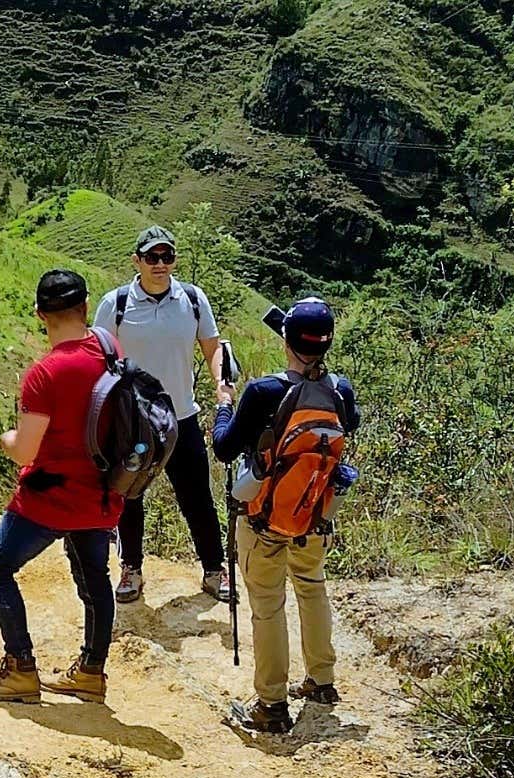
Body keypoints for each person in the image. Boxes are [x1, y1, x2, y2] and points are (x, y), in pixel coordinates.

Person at [0, 269, 126, 704]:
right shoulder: (110, 349)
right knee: (95, 578)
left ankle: (21, 668)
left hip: (50, 499)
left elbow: (25, 451)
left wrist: (6, 440)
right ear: (84, 307)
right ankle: (91, 673)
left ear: (41, 314)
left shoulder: (46, 372)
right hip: (101, 494)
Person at [212, 297, 361, 735]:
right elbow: (345, 427)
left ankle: (272, 704)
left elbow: (224, 448)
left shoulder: (264, 392)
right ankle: (321, 679)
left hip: (263, 516)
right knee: (312, 589)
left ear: (287, 340)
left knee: (267, 606)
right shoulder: (340, 390)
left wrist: (224, 402)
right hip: (314, 513)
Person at [96, 225, 231, 606]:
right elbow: (98, 356)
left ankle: (213, 570)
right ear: (136, 260)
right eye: (152, 257)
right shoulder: (116, 303)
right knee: (129, 494)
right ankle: (132, 569)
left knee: (197, 497)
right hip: (132, 419)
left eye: (166, 257)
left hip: (182, 416)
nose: (160, 264)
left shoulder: (191, 298)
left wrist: (223, 384)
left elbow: (212, 347)